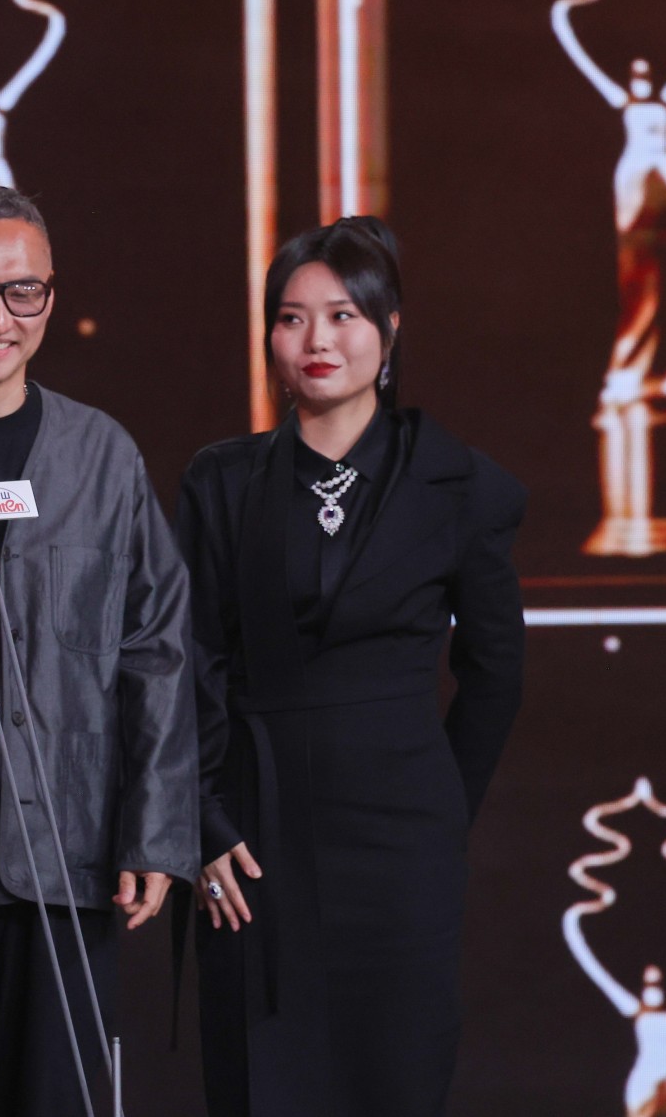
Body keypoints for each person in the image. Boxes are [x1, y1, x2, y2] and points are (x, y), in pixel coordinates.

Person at [178, 216, 526, 1116]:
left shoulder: (460, 484)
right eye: (291, 318)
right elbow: (189, 663)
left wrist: (440, 805)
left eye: (342, 315)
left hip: (400, 845)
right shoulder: (221, 482)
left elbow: (495, 670)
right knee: (264, 1082)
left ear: (390, 327)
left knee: (393, 1077)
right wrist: (204, 819)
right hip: (254, 841)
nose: (317, 340)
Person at [0, 185, 199, 1117]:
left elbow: (155, 646)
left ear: (50, 296)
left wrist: (155, 827)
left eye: (24, 292)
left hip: (64, 857)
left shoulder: (103, 455)